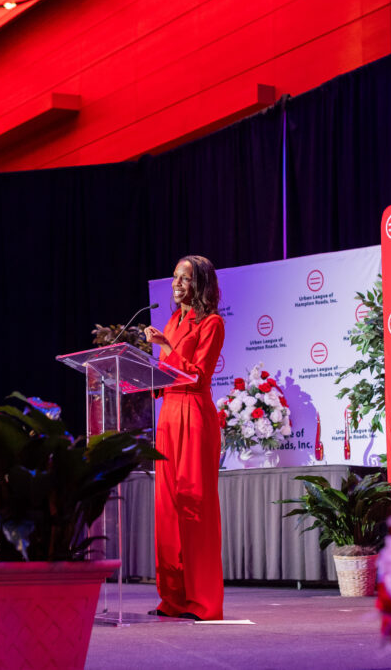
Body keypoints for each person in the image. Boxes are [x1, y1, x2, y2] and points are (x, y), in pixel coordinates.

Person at [143, 255, 225, 620]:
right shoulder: (172, 322)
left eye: (185, 278)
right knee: (168, 511)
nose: (176, 284)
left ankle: (203, 602)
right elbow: (164, 375)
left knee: (195, 508)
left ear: (201, 284)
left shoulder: (211, 323)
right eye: (175, 277)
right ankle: (173, 599)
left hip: (193, 415)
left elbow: (198, 375)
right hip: (168, 417)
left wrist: (164, 347)